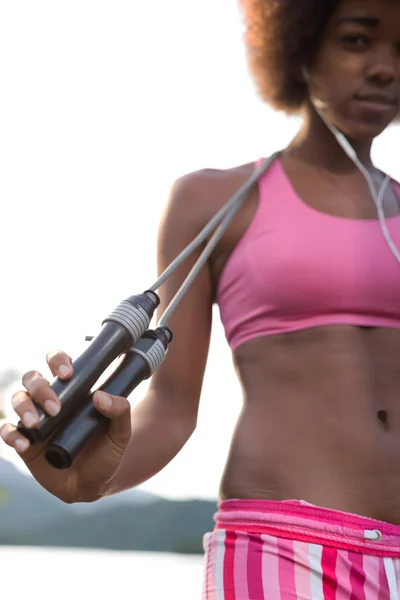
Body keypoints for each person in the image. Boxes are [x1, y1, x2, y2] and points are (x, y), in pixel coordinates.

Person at [2, 0, 400, 597]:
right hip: (283, 551)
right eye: (356, 40)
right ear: (301, 46)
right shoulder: (215, 202)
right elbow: (174, 406)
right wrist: (90, 479)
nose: (385, 68)